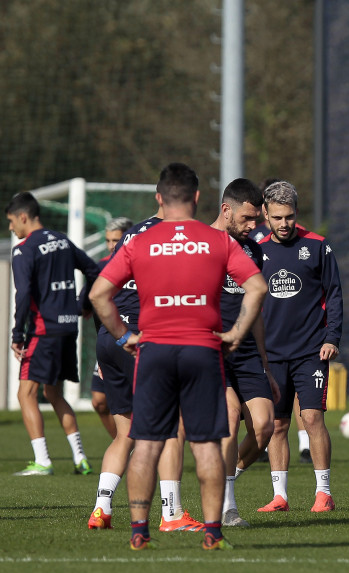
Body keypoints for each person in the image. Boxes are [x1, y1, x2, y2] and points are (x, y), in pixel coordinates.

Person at [90, 162, 266, 551]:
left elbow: (98, 295)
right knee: (205, 444)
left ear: (159, 198)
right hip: (202, 350)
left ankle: (139, 530)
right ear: (198, 198)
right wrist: (236, 332)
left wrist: (124, 337)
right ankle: (213, 533)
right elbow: (257, 286)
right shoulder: (217, 240)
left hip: (153, 349)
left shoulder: (139, 240)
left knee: (146, 441)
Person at [88, 211, 203, 533]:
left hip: (109, 336)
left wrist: (114, 335)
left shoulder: (133, 233)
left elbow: (102, 292)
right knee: (172, 427)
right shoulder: (178, 237)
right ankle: (172, 513)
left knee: (125, 434)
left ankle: (101, 508)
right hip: (141, 337)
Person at [253, 181, 342, 513]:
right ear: (265, 214)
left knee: (312, 417)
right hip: (271, 353)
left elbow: (334, 295)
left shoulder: (318, 247)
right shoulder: (255, 248)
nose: (284, 224)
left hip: (311, 350)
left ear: (297, 213)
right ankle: (280, 496)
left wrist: (332, 337)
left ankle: (324, 493)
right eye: (277, 217)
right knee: (277, 424)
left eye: (289, 216)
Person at [7, 192, 99, 476]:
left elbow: (22, 295)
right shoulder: (62, 240)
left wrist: (17, 334)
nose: (11, 228)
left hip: (42, 330)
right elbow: (93, 270)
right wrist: (82, 305)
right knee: (53, 392)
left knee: (26, 393)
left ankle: (43, 461)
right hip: (69, 326)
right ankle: (80, 457)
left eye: (11, 222)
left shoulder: (24, 249)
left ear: (23, 217)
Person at [211, 178, 278, 527]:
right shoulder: (202, 245)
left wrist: (265, 363)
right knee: (230, 417)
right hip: (213, 349)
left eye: (257, 219)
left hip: (249, 351)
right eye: (248, 218)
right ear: (226, 210)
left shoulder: (254, 250)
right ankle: (227, 507)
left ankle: (223, 479)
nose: (254, 226)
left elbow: (256, 311)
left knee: (265, 426)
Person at [89, 217, 133, 439]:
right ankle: (126, 445)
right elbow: (93, 304)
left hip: (135, 338)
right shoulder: (102, 266)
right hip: (111, 339)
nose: (111, 245)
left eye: (116, 240)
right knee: (98, 399)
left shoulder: (142, 259)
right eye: (108, 240)